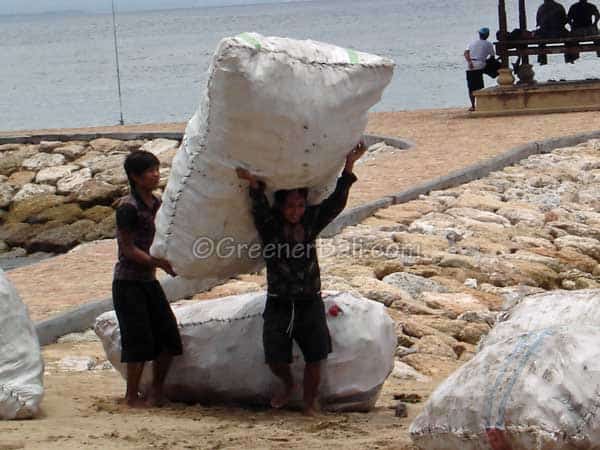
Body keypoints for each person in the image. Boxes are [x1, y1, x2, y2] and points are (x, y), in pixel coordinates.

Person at [236, 141, 366, 416]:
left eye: (300, 205)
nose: (296, 211)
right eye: (291, 206)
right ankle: (287, 383)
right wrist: (252, 181)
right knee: (274, 357)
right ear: (280, 207)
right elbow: (258, 202)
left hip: (309, 301)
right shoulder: (271, 227)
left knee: (316, 355)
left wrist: (349, 166)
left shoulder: (310, 223)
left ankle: (310, 402)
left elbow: (336, 203)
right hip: (279, 302)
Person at [113, 150, 182, 408]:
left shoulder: (157, 204)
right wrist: (159, 263)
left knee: (169, 338)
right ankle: (131, 396)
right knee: (137, 341)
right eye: (150, 171)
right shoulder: (128, 208)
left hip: (148, 281)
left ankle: (156, 392)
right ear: (135, 177)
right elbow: (128, 249)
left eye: (156, 169)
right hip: (128, 283)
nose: (156, 175)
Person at [464, 27, 495, 111]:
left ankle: (473, 105)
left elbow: (466, 53)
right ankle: (496, 75)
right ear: (487, 35)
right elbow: (492, 57)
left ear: (479, 35)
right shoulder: (488, 44)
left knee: (471, 87)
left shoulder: (472, 43)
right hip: (481, 64)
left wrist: (469, 62)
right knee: (479, 86)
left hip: (470, 66)